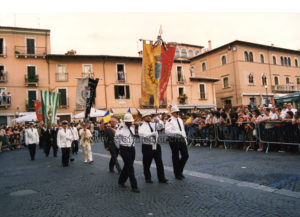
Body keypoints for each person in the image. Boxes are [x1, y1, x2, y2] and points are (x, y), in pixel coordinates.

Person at [138, 112, 168, 184]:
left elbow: (161, 127)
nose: (149, 117)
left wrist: (159, 120)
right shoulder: (141, 125)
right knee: (147, 163)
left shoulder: (153, 124)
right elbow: (141, 134)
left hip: (155, 144)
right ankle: (148, 178)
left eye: (149, 116)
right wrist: (152, 134)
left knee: (159, 162)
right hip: (147, 146)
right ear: (144, 118)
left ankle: (161, 178)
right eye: (147, 116)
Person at [115, 113, 139, 193]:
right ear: (125, 121)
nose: (130, 123)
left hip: (132, 148)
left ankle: (121, 181)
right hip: (124, 149)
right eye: (128, 122)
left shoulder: (131, 128)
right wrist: (119, 148)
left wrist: (133, 145)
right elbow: (116, 139)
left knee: (128, 166)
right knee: (130, 167)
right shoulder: (120, 128)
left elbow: (132, 137)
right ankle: (134, 186)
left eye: (130, 121)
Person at [165, 105, 189, 180]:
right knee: (175, 157)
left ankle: (180, 170)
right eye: (176, 112)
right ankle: (177, 174)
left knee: (185, 155)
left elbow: (183, 131)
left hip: (181, 139)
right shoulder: (169, 121)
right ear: (172, 113)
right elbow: (167, 132)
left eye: (178, 112)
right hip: (173, 140)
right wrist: (177, 132)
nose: (177, 113)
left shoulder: (180, 120)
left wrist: (185, 140)